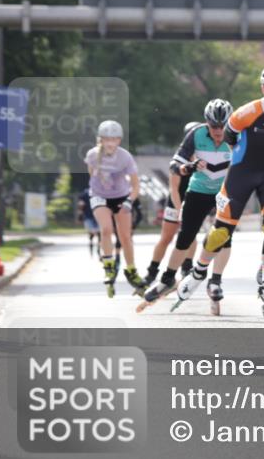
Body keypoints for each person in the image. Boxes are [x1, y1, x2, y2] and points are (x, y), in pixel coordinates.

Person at [192, 65, 264, 321]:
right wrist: (241, 158)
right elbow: (230, 136)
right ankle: (198, 271)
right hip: (242, 172)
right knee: (220, 233)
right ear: (263, 88)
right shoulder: (246, 112)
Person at [138, 101, 235, 315]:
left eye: (223, 126)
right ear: (207, 123)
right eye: (214, 126)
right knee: (185, 237)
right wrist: (189, 167)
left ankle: (215, 281)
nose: (218, 131)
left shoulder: (237, 134)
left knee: (224, 237)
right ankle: (167, 278)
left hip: (224, 193)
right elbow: (175, 165)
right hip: (198, 191)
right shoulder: (196, 134)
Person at [85, 120, 147, 297]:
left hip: (121, 196)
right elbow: (91, 175)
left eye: (114, 139)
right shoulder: (92, 155)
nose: (110, 143)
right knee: (106, 229)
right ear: (100, 139)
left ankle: (131, 270)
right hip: (99, 196)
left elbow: (135, 185)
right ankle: (108, 265)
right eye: (106, 139)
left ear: (119, 140)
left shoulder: (125, 157)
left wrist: (130, 201)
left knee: (125, 236)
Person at [143, 121, 202, 286]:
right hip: (176, 200)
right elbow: (174, 189)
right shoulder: (179, 160)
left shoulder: (205, 159)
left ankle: (186, 269)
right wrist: (179, 210)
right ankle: (151, 272)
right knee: (166, 237)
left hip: (193, 200)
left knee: (190, 235)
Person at [76, 187, 99, 259]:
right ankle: (98, 251)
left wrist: (80, 216)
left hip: (88, 217)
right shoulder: (100, 192)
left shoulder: (84, 194)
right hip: (98, 216)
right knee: (100, 235)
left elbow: (81, 205)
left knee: (91, 236)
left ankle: (92, 251)